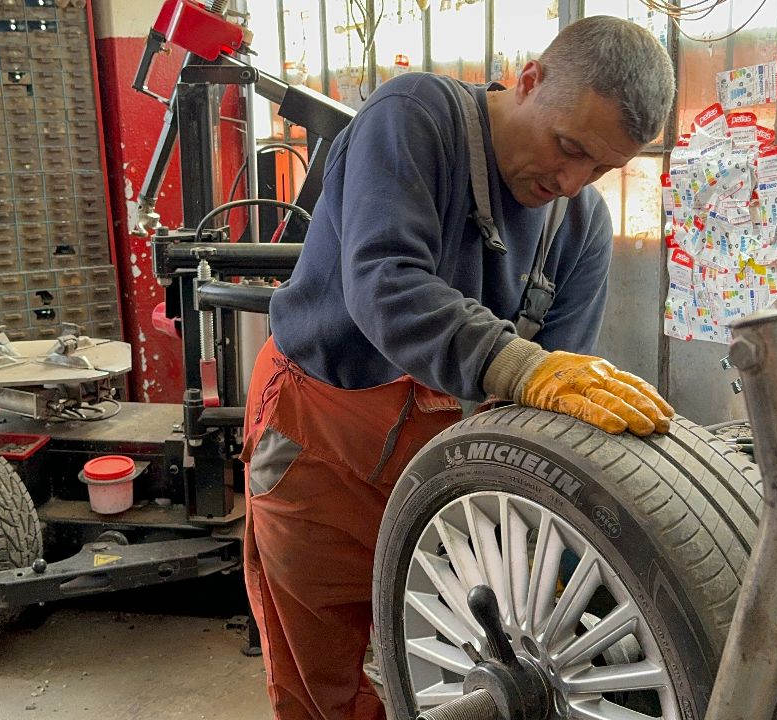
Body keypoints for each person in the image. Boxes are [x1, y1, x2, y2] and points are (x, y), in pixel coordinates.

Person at [240, 15, 678, 720]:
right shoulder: (416, 118)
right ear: (530, 79)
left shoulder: (581, 226)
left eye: (600, 168)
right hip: (318, 436)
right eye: (568, 148)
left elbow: (553, 392)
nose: (572, 181)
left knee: (452, 664)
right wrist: (519, 365)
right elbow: (386, 283)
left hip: (448, 464)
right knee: (321, 675)